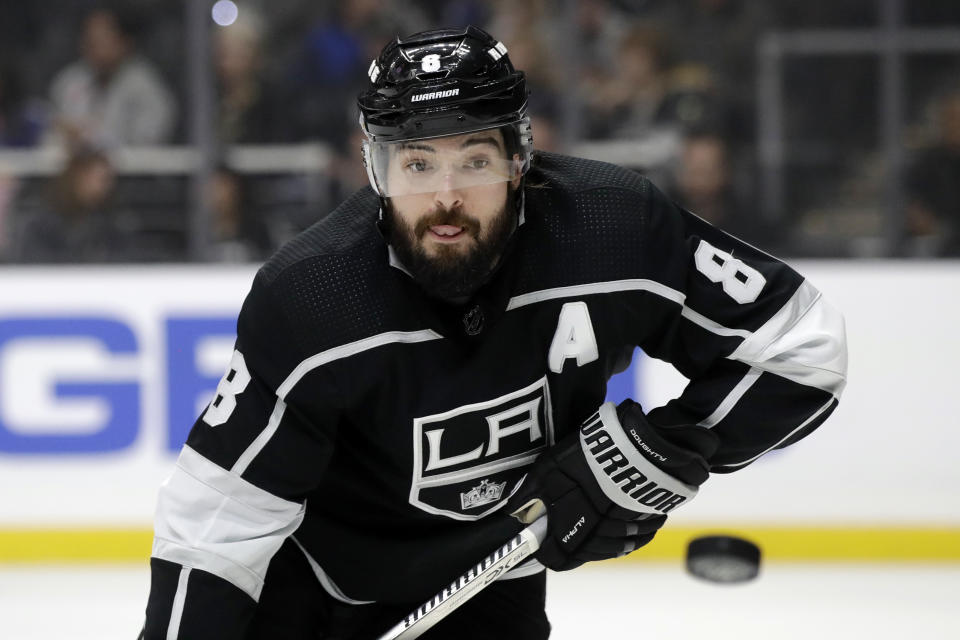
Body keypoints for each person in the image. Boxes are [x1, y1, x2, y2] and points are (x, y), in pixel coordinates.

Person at [141, 26, 847, 639]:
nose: (445, 197)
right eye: (417, 164)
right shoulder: (314, 298)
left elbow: (801, 344)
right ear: (375, 169)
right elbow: (212, 531)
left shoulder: (612, 230)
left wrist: (654, 458)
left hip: (492, 578)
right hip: (313, 588)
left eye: (473, 160)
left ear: (519, 158)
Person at [46, 5, 176, 149]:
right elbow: (54, 135)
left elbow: (148, 140)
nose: (95, 48)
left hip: (131, 171)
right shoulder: (69, 81)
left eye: (102, 40)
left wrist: (92, 137)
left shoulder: (145, 86)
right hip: (77, 169)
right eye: (90, 41)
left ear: (124, 43)